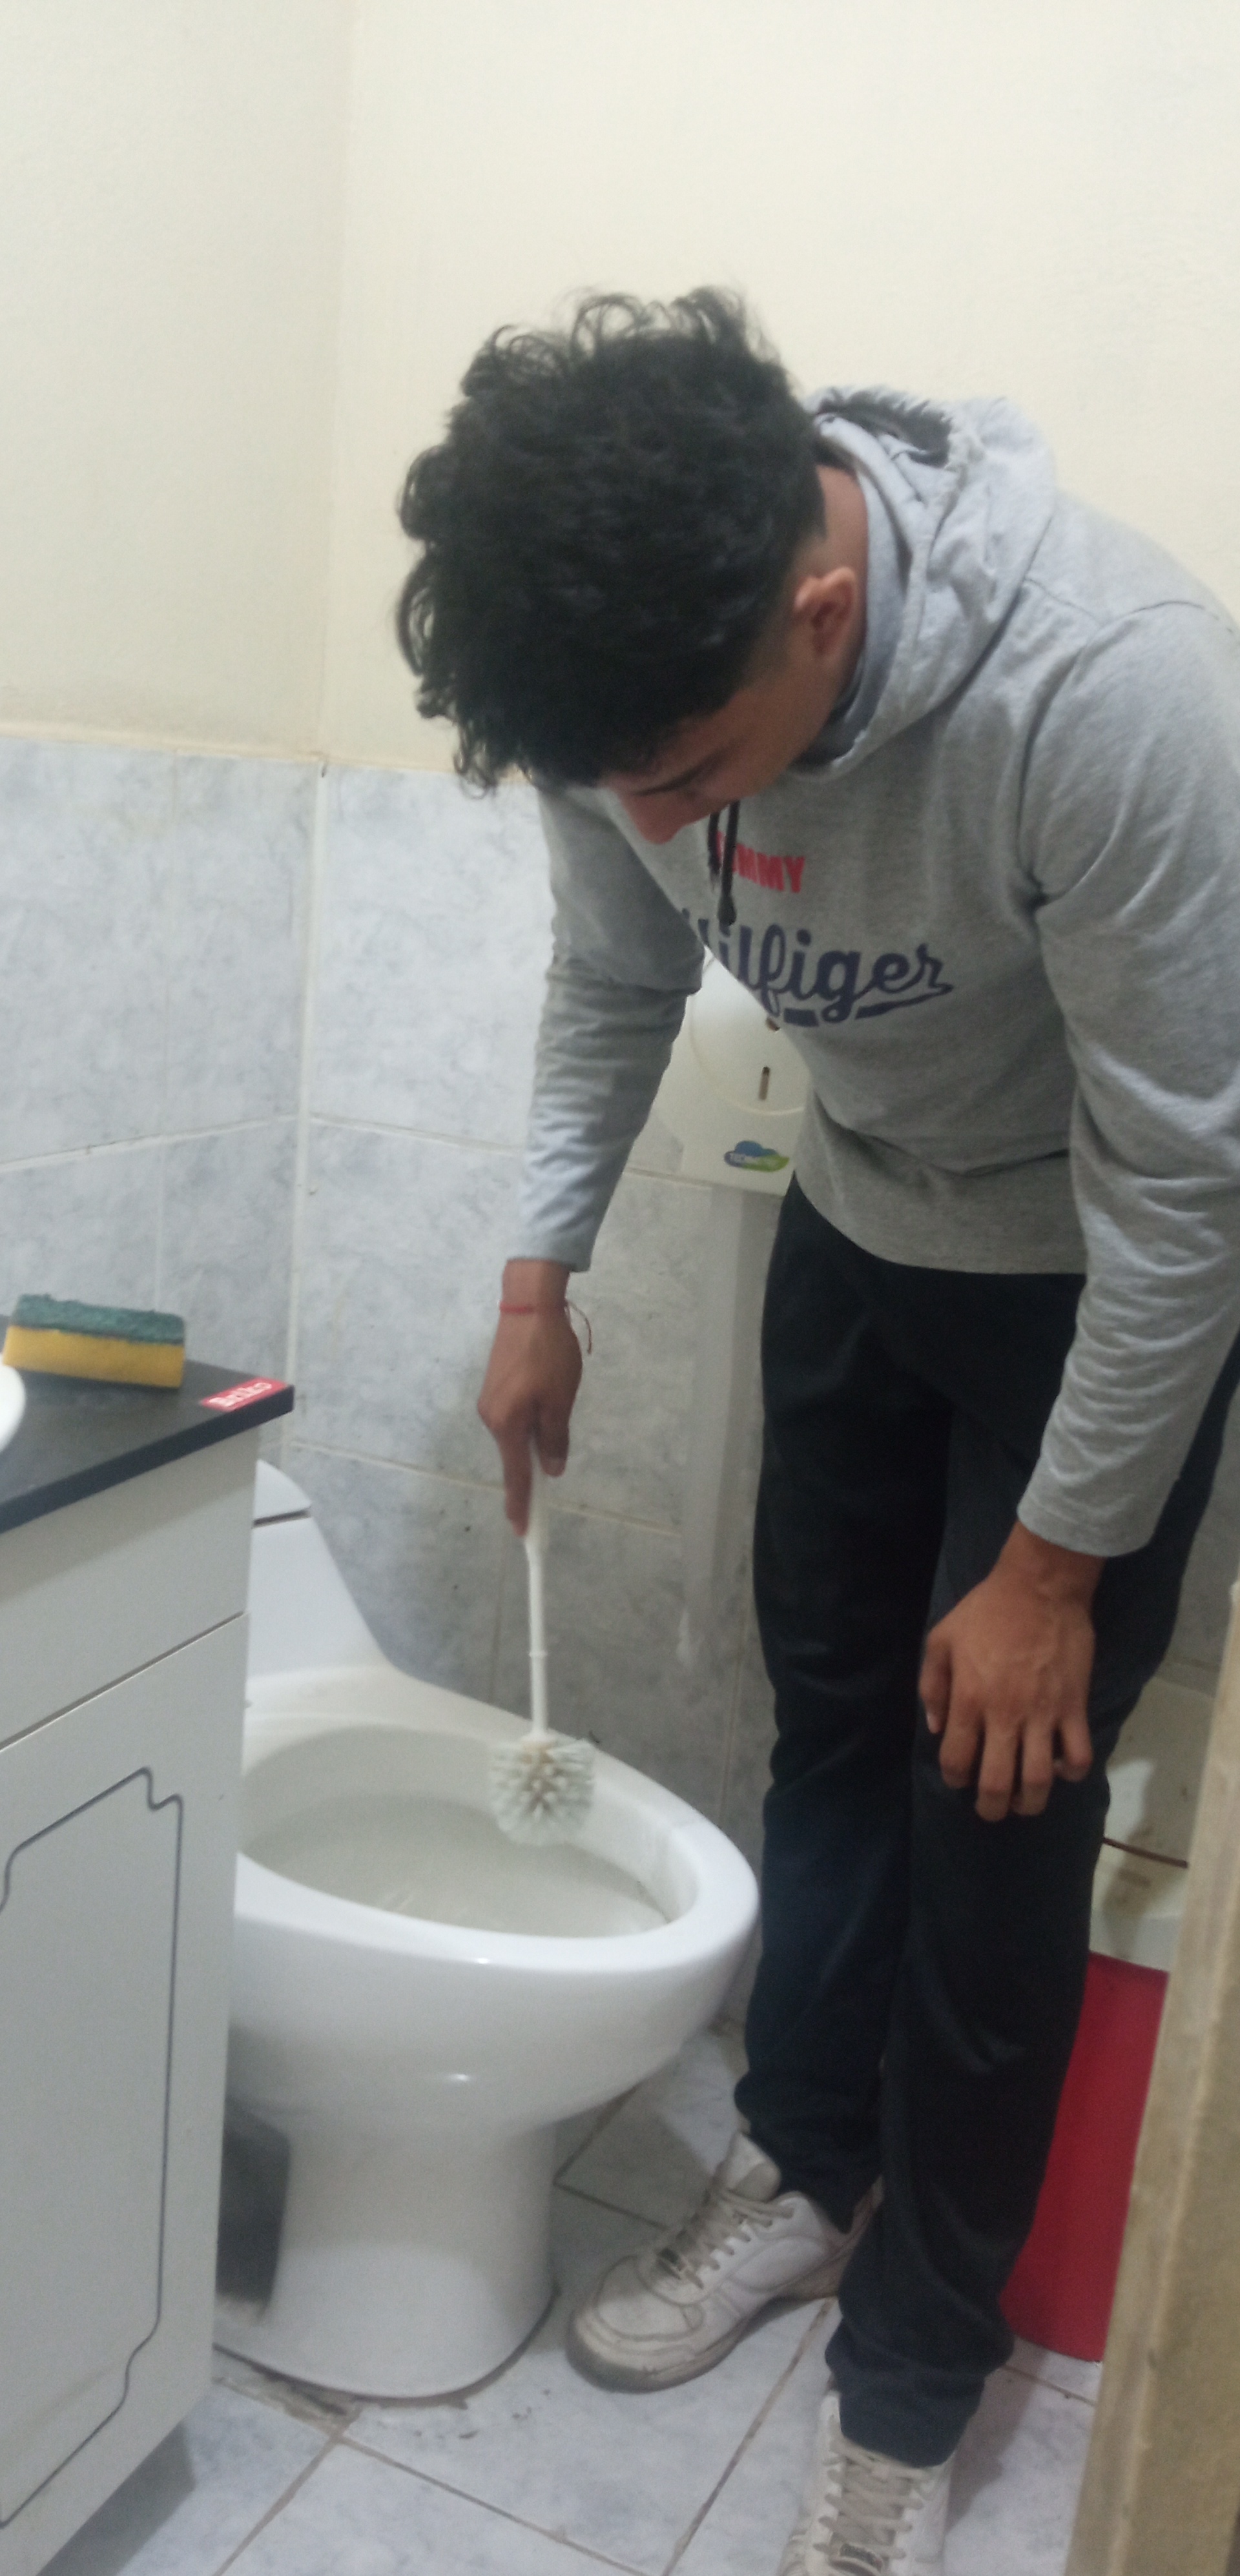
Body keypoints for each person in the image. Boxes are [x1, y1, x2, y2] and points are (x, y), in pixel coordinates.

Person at [394, 291, 1240, 2574]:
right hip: (859, 1237)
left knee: (1001, 1812)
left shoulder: (1115, 689)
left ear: (824, 610)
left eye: (688, 776)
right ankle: (801, 2167)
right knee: (836, 1738)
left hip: (1087, 1283)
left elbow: (1191, 1191)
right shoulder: (621, 685)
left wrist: (1056, 1564)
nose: (663, 826)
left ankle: (919, 2372)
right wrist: (538, 1283)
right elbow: (612, 977)